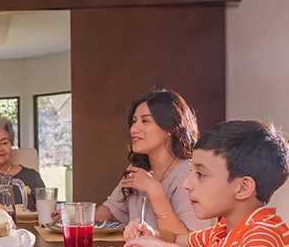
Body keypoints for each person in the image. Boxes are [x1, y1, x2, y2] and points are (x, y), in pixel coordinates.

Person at [124, 120, 289, 247]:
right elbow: (177, 239)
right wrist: (153, 234)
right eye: (191, 172)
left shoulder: (264, 229)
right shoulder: (221, 233)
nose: (186, 184)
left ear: (243, 188)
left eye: (200, 175)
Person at [53, 89, 211, 235]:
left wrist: (153, 188)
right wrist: (74, 216)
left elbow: (187, 238)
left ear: (170, 128)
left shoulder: (189, 175)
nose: (134, 129)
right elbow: (111, 211)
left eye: (145, 121)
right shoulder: (138, 169)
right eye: (134, 121)